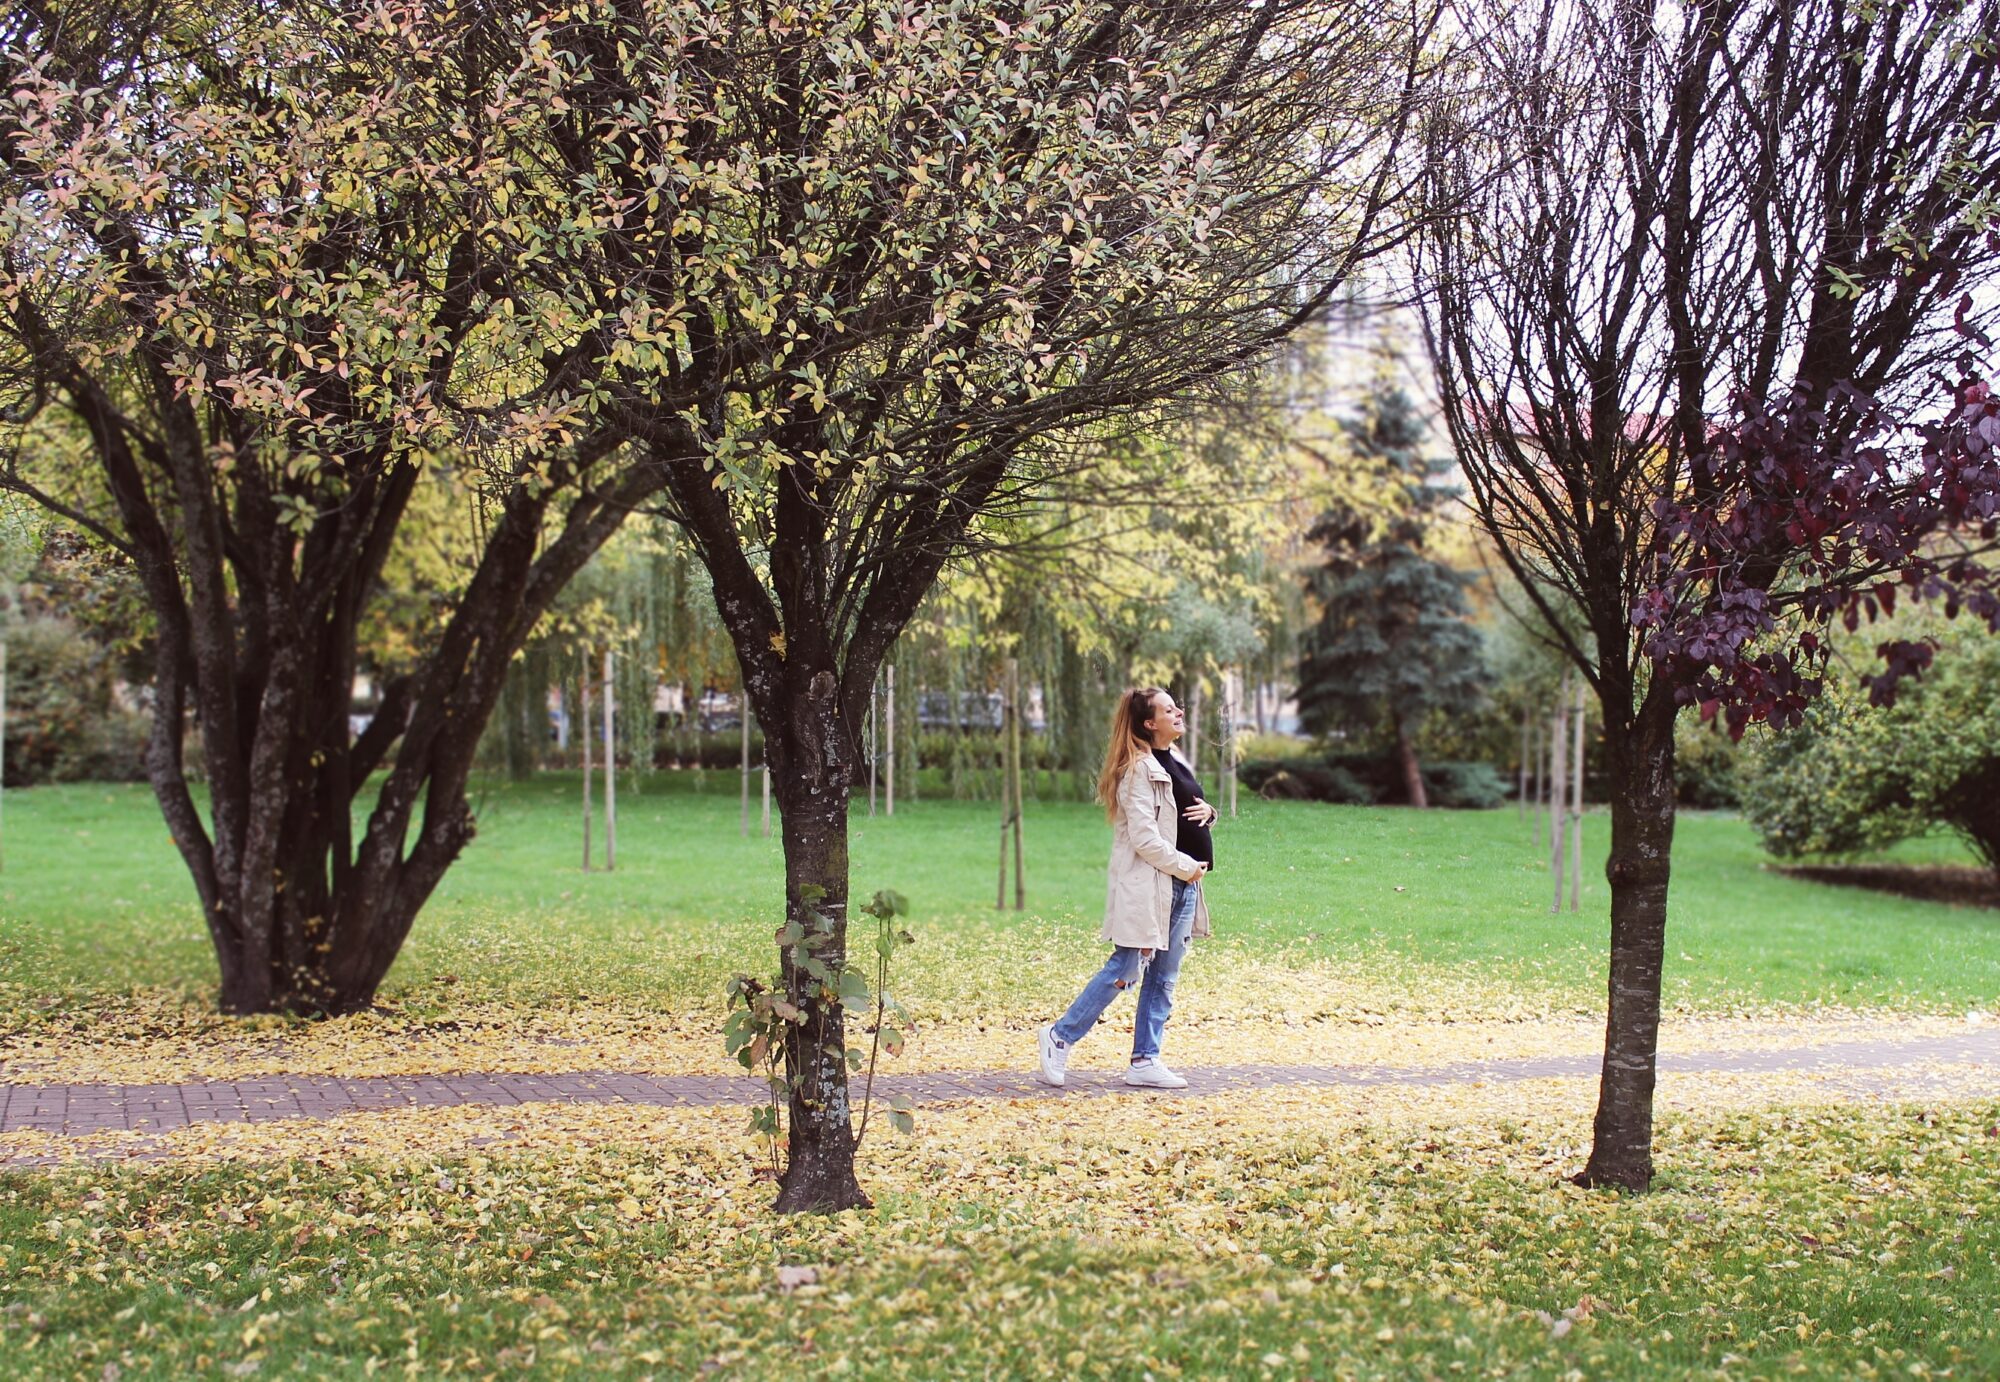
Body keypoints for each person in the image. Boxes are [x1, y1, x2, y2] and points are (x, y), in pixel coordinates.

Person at [1038, 686, 1216, 1089]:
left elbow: (1183, 813)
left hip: (1182, 886)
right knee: (1127, 967)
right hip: (1153, 885)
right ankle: (1059, 1036)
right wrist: (1187, 867)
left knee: (1164, 977)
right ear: (1149, 723)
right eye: (1169, 710)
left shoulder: (1174, 760)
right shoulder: (1138, 768)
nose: (1179, 713)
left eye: (1177, 707)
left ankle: (1145, 1059)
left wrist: (1210, 812)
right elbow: (1144, 838)